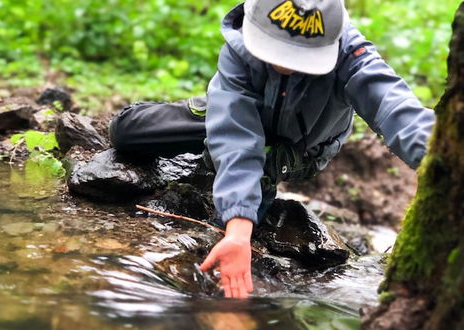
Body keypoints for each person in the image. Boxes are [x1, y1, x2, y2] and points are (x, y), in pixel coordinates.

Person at [110, 0, 435, 299]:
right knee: (127, 130)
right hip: (241, 116)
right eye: (277, 53)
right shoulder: (241, 47)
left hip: (296, 149)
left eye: (298, 57)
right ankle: (210, 150)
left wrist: (442, 160)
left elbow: (396, 110)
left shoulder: (352, 56)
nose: (285, 65)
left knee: (244, 206)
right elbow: (237, 136)